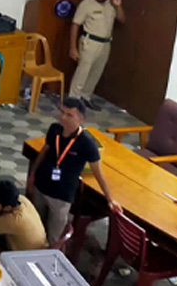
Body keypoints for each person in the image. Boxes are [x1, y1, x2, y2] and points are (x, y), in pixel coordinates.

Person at [27, 97, 121, 244]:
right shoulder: (54, 130)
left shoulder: (87, 144)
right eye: (62, 112)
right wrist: (32, 175)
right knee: (34, 228)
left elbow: (98, 173)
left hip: (61, 196)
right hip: (41, 186)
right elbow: (44, 152)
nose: (63, 117)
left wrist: (109, 198)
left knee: (54, 237)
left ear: (81, 118)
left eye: (69, 115)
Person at [69, 0, 125, 110]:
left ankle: (85, 96)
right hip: (89, 42)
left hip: (105, 44)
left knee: (96, 72)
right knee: (82, 72)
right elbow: (75, 24)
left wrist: (118, 6)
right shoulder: (86, 4)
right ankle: (73, 100)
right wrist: (72, 47)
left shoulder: (112, 4)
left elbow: (122, 20)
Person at [0, 179, 47, 252]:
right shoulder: (22, 200)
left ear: (7, 207)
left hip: (27, 257)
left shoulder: (13, 220)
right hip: (39, 248)